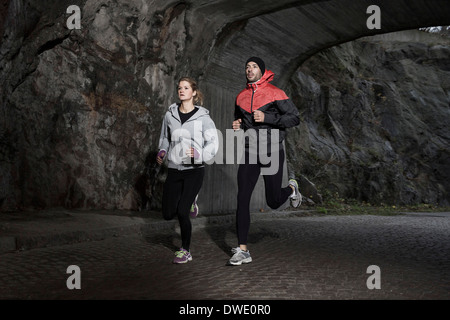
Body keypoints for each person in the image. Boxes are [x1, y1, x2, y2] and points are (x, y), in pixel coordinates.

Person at [229, 57, 302, 266]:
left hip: (271, 150)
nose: (249, 69)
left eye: (253, 67)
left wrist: (269, 118)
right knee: (242, 198)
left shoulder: (275, 93)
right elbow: (242, 122)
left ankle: (291, 189)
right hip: (250, 151)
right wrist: (237, 125)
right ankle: (243, 250)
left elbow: (294, 118)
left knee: (273, 200)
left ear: (262, 71)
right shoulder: (240, 96)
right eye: (247, 67)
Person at [157, 77, 219, 264]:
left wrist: (199, 154)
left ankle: (185, 250)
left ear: (193, 92)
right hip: (175, 168)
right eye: (179, 88)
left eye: (186, 88)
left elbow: (214, 143)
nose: (181, 90)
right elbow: (165, 138)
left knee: (183, 211)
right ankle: (190, 202)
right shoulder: (170, 115)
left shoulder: (204, 119)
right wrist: (162, 150)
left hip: (194, 170)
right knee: (168, 213)